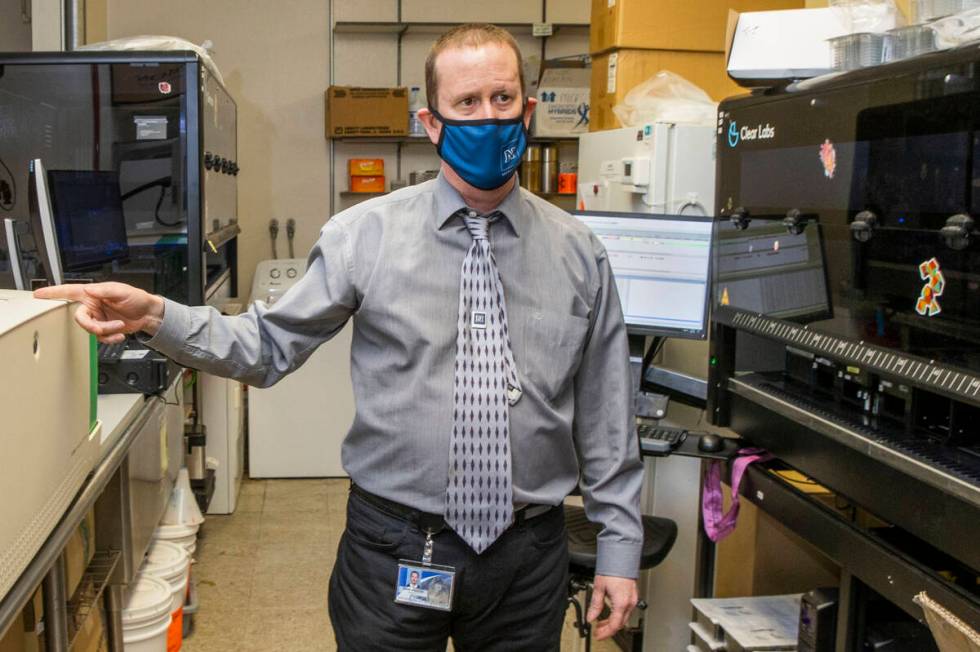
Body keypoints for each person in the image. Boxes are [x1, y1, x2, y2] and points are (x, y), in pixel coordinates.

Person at [36, 23, 643, 651]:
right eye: (466, 103)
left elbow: (606, 417)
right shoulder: (364, 237)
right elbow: (266, 347)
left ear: (528, 109)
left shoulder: (579, 253)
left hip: (527, 558)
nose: (487, 118)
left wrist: (619, 551)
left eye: (502, 99)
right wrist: (156, 315)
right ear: (431, 122)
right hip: (396, 547)